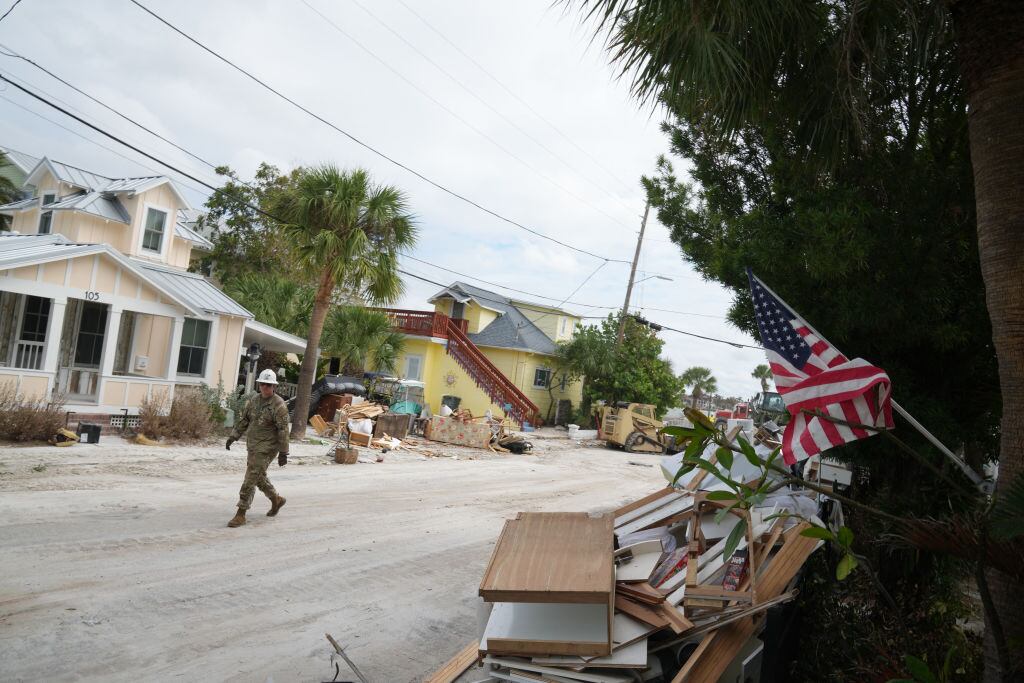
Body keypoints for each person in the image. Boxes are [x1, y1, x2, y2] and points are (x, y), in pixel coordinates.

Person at [225, 368, 289, 528]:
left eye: (268, 385)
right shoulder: (254, 401)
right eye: (262, 384)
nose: (265, 387)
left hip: (268, 447)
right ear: (259, 385)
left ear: (274, 386)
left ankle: (241, 513)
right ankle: (276, 499)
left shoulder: (279, 405)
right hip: (253, 445)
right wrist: (233, 436)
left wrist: (283, 452)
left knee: (251, 477)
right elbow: (244, 420)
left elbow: (283, 430)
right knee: (258, 476)